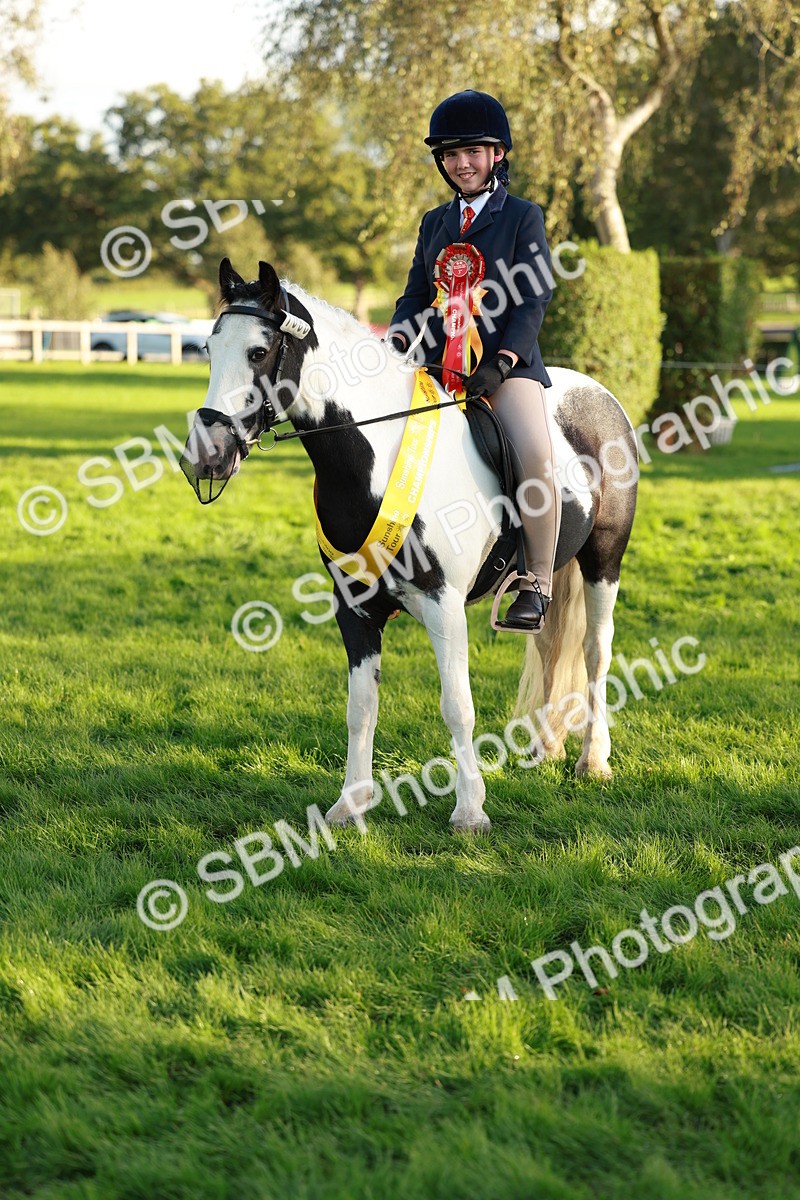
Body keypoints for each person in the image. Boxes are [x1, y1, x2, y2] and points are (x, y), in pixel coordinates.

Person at [389, 89, 560, 632]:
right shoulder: (434, 223)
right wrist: (394, 345)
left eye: (473, 153)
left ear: (497, 155)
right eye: (450, 155)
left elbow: (533, 297)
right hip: (441, 365)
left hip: (504, 367)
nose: (461, 164)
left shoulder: (523, 217)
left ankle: (536, 581)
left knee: (533, 454)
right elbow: (416, 295)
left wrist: (504, 361)